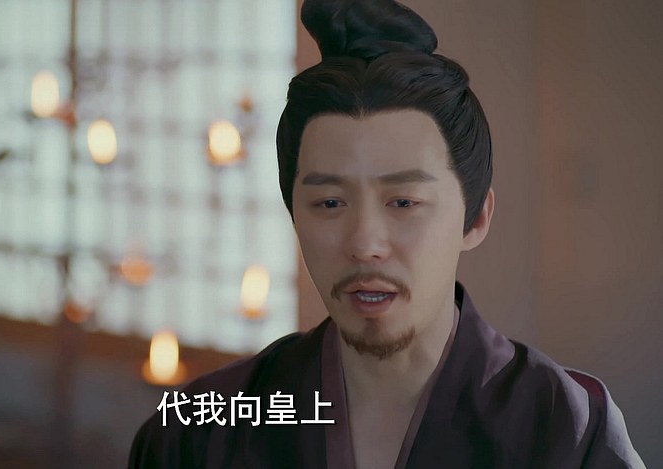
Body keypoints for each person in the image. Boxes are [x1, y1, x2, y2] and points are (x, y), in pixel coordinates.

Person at [129, 0, 645, 467]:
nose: (365, 244)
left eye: (403, 203)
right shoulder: (198, 430)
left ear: (475, 219)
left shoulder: (564, 426)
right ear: (294, 215)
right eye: (329, 203)